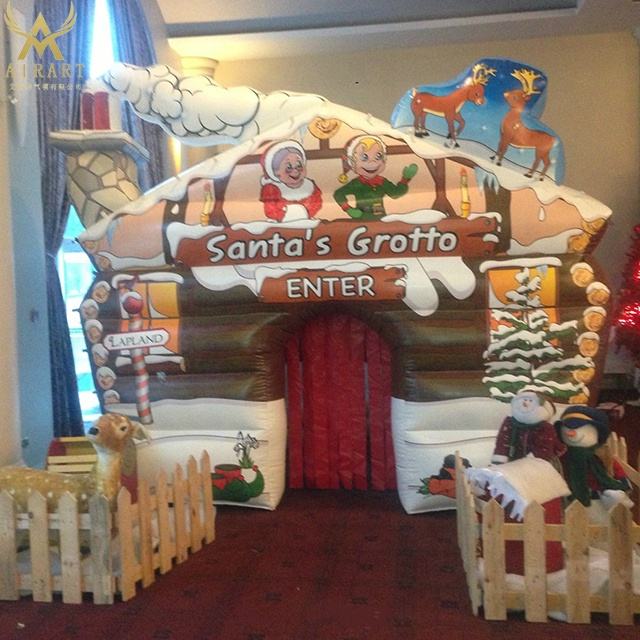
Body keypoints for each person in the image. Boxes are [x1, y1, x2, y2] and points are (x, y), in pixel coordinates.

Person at [334, 135, 417, 220]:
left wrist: (405, 179)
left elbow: (395, 193)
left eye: (378, 156)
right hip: (361, 218)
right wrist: (348, 209)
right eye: (364, 157)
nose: (373, 162)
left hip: (379, 218)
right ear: (351, 162)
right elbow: (338, 194)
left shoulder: (382, 181)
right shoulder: (356, 183)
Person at [492, 390, 566, 465]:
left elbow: (543, 451)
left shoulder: (545, 427)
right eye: (524, 400)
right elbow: (502, 442)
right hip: (515, 459)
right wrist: (498, 461)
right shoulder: (510, 422)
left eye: (531, 401)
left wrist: (524, 465)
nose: (526, 403)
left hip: (542, 463)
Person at [259, 140, 322, 222]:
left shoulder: (310, 186)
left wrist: (305, 214)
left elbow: (316, 203)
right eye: (289, 167)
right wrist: (285, 215)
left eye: (299, 165)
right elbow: (271, 210)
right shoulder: (271, 189)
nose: (295, 171)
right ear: (276, 172)